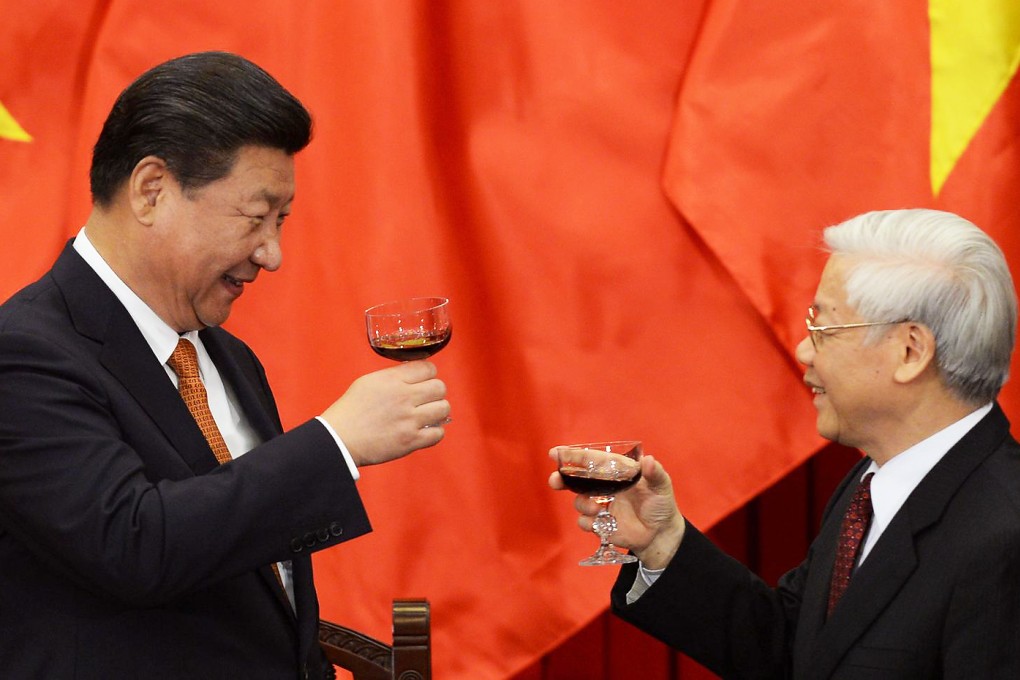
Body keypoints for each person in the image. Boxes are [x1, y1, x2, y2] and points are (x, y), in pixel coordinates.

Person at [0, 51, 449, 679]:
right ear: (152, 189)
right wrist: (337, 444)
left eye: (283, 220)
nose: (273, 254)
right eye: (256, 217)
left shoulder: (229, 357)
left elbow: (267, 586)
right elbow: (136, 544)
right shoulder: (22, 353)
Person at [551, 208, 1020, 678]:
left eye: (824, 328)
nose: (803, 350)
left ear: (910, 352)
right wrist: (662, 541)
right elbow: (796, 650)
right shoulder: (871, 485)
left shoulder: (1005, 541)